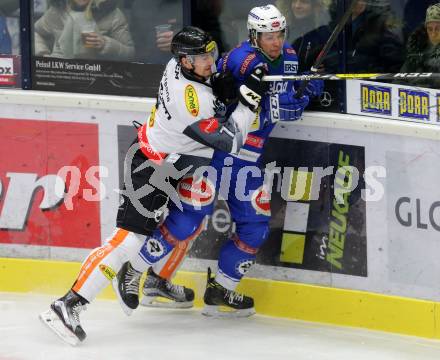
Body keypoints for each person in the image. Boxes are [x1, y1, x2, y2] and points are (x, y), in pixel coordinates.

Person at [39, 26, 268, 345]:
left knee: (189, 221)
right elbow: (229, 141)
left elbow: (209, 84)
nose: (210, 61)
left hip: (175, 165)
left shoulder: (181, 68)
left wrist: (225, 85)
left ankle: (155, 281)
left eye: (210, 53)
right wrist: (249, 101)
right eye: (202, 57)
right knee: (126, 241)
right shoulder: (191, 102)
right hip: (150, 169)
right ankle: (68, 304)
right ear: (186, 62)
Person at [114, 4, 323, 318]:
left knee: (255, 227)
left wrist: (305, 95)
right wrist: (268, 111)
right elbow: (219, 108)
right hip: (217, 154)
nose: (276, 41)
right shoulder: (239, 61)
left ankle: (221, 289)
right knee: (189, 217)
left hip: (248, 159)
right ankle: (134, 270)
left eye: (279, 33)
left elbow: (287, 98)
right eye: (268, 36)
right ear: (254, 36)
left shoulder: (290, 57)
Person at [34, 0, 134, 60]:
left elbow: (129, 54)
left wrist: (105, 44)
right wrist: (42, 54)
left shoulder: (114, 15)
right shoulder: (57, 10)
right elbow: (36, 33)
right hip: (59, 73)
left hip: (94, 76)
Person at [399, 3, 440, 88]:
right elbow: (399, 79)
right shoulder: (416, 48)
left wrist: (425, 82)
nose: (433, 33)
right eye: (430, 29)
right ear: (426, 29)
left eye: (438, 28)